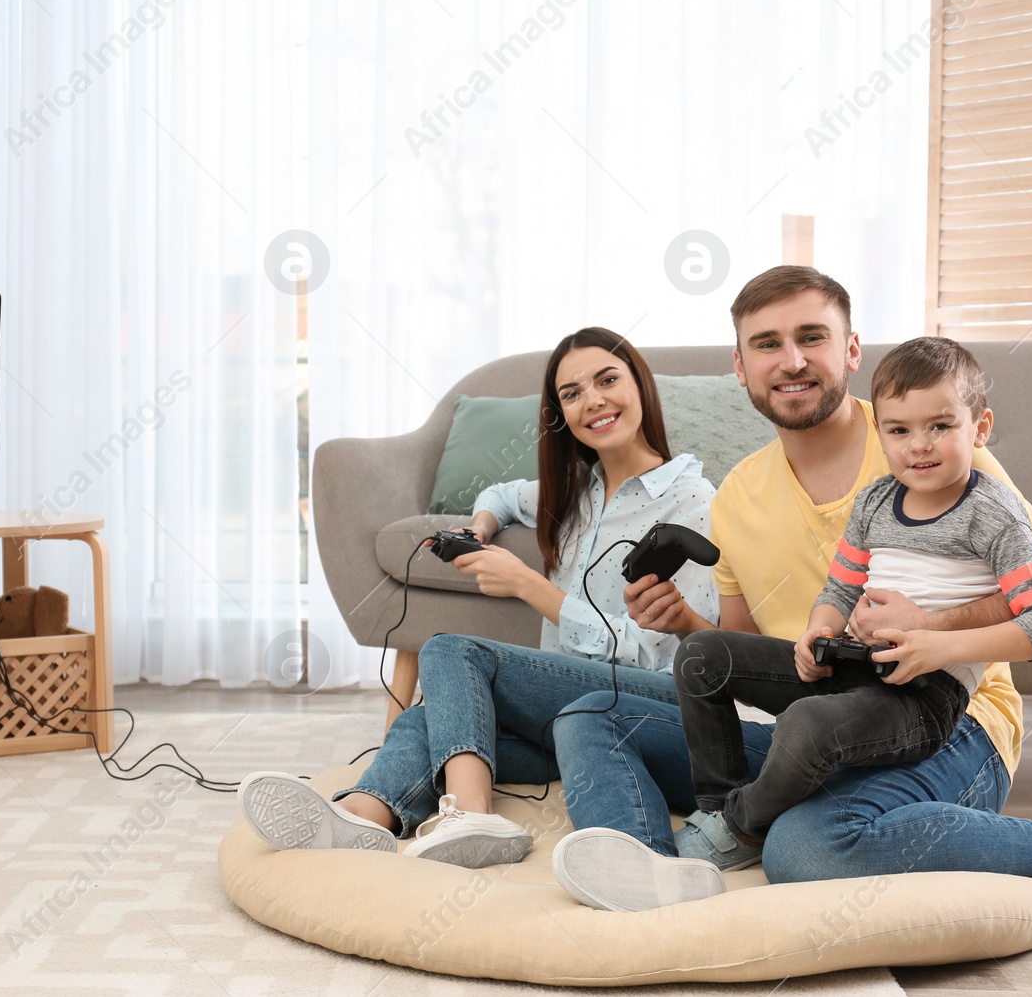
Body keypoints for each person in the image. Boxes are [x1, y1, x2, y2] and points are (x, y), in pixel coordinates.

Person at [547, 266, 1032, 916]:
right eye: (767, 343)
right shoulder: (738, 496)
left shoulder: (932, 448)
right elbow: (752, 654)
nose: (791, 359)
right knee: (588, 713)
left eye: (810, 336)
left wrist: (932, 625)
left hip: (951, 721)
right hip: (819, 715)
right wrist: (685, 625)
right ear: (740, 366)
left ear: (850, 348)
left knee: (808, 847)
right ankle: (662, 867)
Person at [240, 326, 719, 869]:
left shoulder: (691, 499)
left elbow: (659, 656)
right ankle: (358, 818)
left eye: (608, 380)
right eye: (572, 393)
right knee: (431, 718)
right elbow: (503, 495)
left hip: (646, 706)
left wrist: (527, 584)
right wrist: (482, 526)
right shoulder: (576, 496)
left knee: (451, 650)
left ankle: (472, 815)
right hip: (568, 717)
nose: (593, 401)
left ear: (641, 387)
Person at [671, 336, 1032, 867]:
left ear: (981, 428)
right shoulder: (877, 501)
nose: (919, 445)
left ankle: (743, 825)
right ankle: (719, 810)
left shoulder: (993, 513)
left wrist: (937, 644)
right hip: (855, 668)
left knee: (807, 725)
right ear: (879, 432)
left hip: (926, 697)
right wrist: (819, 627)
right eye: (899, 430)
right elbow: (842, 585)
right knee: (702, 656)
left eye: (941, 426)